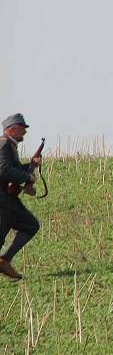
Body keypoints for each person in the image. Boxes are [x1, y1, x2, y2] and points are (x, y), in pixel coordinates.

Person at [0, 113, 41, 280]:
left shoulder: (9, 146)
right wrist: (27, 177)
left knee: (30, 225)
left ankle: (4, 260)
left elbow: (12, 170)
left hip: (8, 200)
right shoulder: (3, 146)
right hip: (2, 199)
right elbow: (3, 170)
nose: (24, 132)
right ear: (12, 129)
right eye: (22, 128)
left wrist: (30, 166)